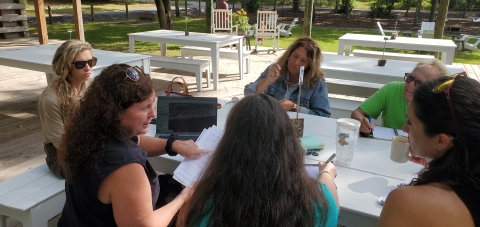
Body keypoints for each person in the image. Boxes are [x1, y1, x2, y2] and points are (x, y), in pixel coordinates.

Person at [57, 64, 209, 226]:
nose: (153, 114)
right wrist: (185, 197)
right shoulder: (125, 167)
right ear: (115, 112)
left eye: (152, 105)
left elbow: (139, 141)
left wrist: (172, 145)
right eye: (144, 108)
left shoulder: (91, 132)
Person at [176, 93, 339, 227]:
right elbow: (333, 210)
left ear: (228, 145)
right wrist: (326, 173)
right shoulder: (319, 201)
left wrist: (188, 201)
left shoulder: (207, 201)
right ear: (289, 144)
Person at [377, 73, 480, 227]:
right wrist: (437, 163)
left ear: (441, 140)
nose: (404, 128)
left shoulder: (405, 201)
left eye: (411, 122)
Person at [38, 39, 97, 178]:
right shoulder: (51, 99)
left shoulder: (91, 85)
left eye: (91, 62)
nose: (88, 68)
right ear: (65, 66)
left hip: (90, 141)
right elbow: (61, 142)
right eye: (80, 64)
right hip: (61, 152)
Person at [351, 59, 449, 133]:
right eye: (410, 77)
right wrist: (361, 122)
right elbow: (358, 112)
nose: (410, 84)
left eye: (419, 83)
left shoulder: (438, 104)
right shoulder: (392, 89)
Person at [244, 37, 331, 117]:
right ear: (289, 54)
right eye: (295, 56)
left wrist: (294, 107)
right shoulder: (274, 70)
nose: (296, 62)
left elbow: (323, 115)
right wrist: (267, 81)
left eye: (303, 61)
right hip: (270, 124)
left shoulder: (317, 83)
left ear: (309, 65)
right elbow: (248, 93)